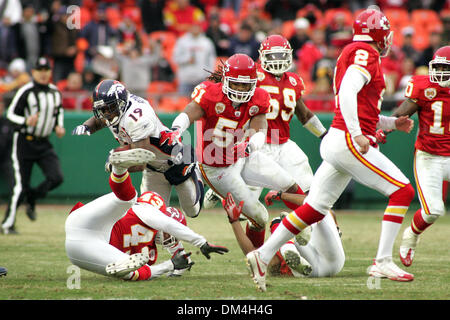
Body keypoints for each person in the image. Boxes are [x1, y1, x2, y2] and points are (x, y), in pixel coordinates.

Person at [246, 8, 416, 292]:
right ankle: (383, 260)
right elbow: (349, 92)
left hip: (338, 137)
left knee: (315, 207)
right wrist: (359, 133)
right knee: (403, 192)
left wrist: (391, 123)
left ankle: (262, 255)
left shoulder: (353, 51)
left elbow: (361, 108)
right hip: (347, 139)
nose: (388, 38)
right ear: (378, 34)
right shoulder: (366, 53)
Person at [168, 53, 300, 250]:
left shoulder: (259, 97)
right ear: (226, 80)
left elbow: (260, 128)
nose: (240, 89)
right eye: (236, 84)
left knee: (289, 184)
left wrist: (251, 145)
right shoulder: (210, 94)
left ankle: (313, 226)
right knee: (260, 217)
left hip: (243, 155)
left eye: (245, 85)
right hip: (217, 167)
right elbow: (189, 113)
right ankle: (258, 260)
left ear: (254, 83)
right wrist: (177, 129)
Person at [203, 35, 328, 211]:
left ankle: (306, 226)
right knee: (248, 200)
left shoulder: (294, 81)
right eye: (273, 56)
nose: (277, 60)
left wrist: (324, 134)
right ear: (262, 56)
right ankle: (222, 190)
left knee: (308, 187)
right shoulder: (253, 74)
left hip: (283, 143)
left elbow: (304, 114)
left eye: (281, 56)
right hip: (256, 142)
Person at [65, 148, 228, 280]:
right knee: (129, 199)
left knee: (134, 272)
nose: (168, 238)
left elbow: (151, 269)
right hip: (86, 224)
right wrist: (200, 242)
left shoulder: (149, 252)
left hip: (88, 247)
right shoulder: (144, 210)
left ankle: (119, 171)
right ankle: (119, 169)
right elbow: (166, 223)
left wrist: (172, 264)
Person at [72, 79, 205, 219]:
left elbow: (140, 161)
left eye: (108, 109)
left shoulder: (136, 116)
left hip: (175, 161)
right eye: (102, 110)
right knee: (150, 216)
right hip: (153, 167)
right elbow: (100, 119)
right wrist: (87, 126)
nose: (106, 114)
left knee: (192, 211)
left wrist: (116, 164)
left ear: (120, 103)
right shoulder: (115, 110)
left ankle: (197, 170)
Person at [384, 46, 450, 267]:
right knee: (433, 211)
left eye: (446, 68)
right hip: (430, 156)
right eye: (438, 67)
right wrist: (382, 130)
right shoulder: (423, 87)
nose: (440, 72)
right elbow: (402, 112)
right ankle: (411, 236)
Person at [2, 57, 65, 234]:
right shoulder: (26, 91)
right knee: (20, 186)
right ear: (34, 72)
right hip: (24, 142)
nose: (43, 74)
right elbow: (10, 114)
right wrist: (26, 120)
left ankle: (33, 197)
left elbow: (57, 112)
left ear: (50, 72)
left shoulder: (54, 92)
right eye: (40, 70)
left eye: (46, 70)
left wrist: (59, 127)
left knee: (56, 177)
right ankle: (8, 224)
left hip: (43, 142)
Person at [223, 192, 345, 278]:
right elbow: (315, 203)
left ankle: (292, 239)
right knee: (280, 222)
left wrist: (234, 221)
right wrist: (282, 196)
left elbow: (252, 252)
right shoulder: (272, 248)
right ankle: (292, 240)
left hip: (310, 268)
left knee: (282, 223)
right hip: (330, 262)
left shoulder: (271, 248)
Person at [172, 22, 216, 97]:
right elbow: (175, 58)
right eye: (193, 27)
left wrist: (208, 75)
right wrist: (186, 59)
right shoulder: (182, 41)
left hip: (201, 79)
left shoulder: (206, 42)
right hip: (186, 79)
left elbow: (211, 60)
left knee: (202, 104)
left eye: (197, 27)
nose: (195, 29)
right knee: (184, 103)